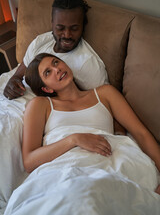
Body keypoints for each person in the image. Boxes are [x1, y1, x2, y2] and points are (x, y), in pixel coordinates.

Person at [23, 53, 160, 194]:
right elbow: (29, 161)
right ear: (47, 89)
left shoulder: (105, 94)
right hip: (63, 171)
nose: (56, 69)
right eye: (48, 72)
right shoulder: (40, 104)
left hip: (105, 164)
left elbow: (140, 133)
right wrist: (74, 139)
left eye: (56, 62)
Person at [3, 0, 124, 135]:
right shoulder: (41, 41)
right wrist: (13, 81)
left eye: (74, 28)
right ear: (52, 23)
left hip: (29, 122)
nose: (67, 35)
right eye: (60, 28)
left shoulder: (88, 64)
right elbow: (20, 71)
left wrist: (119, 135)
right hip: (10, 106)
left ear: (83, 26)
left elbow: (109, 105)